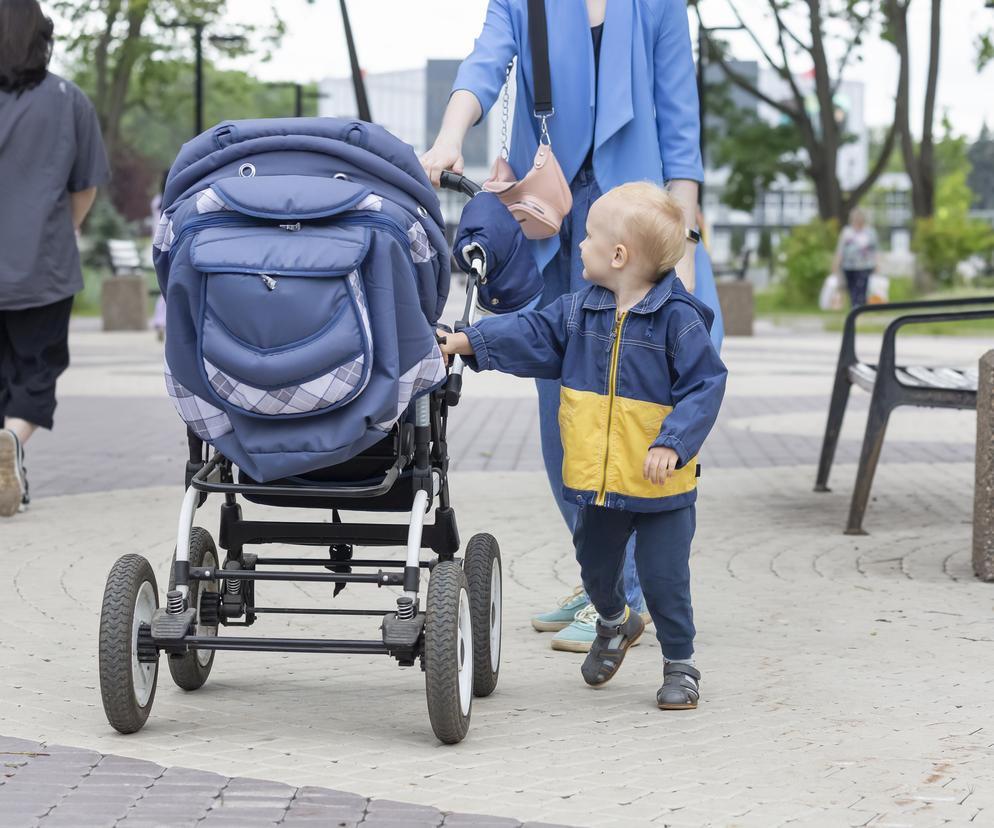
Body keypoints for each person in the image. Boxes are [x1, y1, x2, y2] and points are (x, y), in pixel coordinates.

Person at [421, 0, 725, 651]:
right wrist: (451, 137)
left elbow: (680, 122)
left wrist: (687, 240)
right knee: (566, 415)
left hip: (635, 231)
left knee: (639, 408)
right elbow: (483, 66)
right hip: (555, 230)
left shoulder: (658, 6)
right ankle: (606, 581)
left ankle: (632, 599)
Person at [439, 182, 727, 708]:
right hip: (597, 483)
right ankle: (615, 622)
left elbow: (705, 386)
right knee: (594, 563)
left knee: (666, 580)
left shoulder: (677, 321)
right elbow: (528, 333)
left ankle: (681, 664)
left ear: (619, 256)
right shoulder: (578, 312)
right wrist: (466, 341)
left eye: (590, 236)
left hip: (660, 487)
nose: (579, 245)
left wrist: (674, 442)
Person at [0, 0, 109, 517]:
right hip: (41, 267)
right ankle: (12, 440)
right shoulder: (68, 99)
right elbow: (85, 186)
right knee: (36, 374)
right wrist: (58, 231)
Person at [832, 207, 879, 308]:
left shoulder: (870, 232)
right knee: (852, 288)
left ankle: (860, 307)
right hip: (849, 266)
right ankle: (854, 308)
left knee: (861, 288)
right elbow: (840, 250)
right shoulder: (847, 231)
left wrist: (877, 264)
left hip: (865, 265)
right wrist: (836, 264)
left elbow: (875, 250)